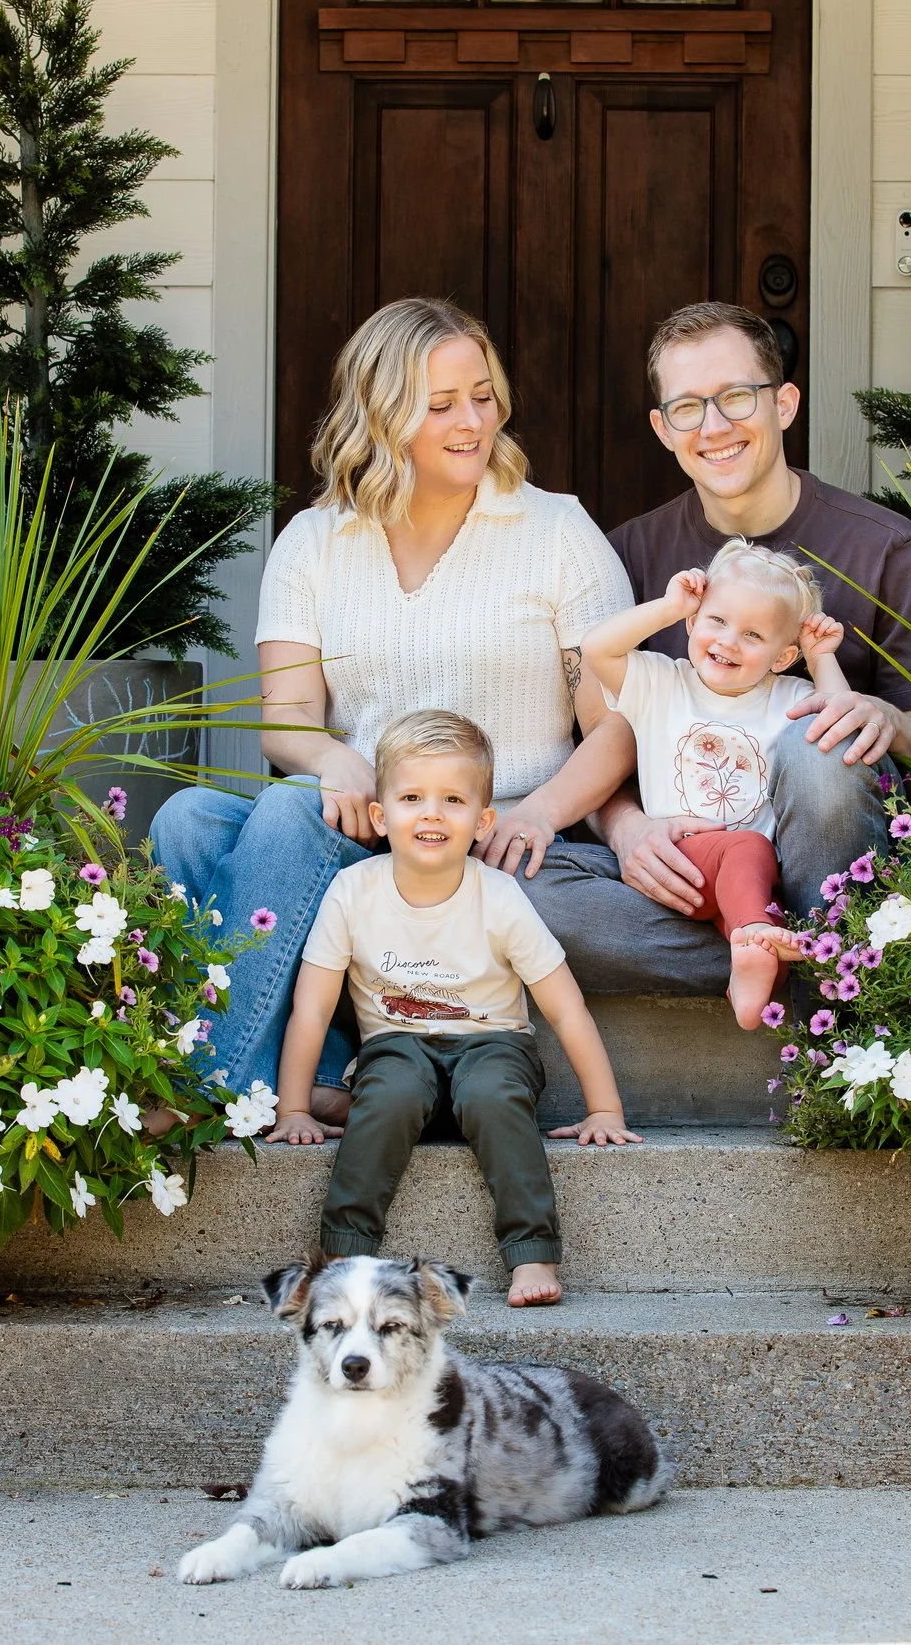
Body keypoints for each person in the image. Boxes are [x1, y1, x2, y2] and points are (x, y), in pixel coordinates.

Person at [149, 299, 631, 1114]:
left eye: (483, 396)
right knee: (187, 819)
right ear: (380, 416)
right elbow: (286, 714)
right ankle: (324, 1073)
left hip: (480, 831)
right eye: (441, 405)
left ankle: (200, 1083)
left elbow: (616, 725)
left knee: (284, 814)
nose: (473, 422)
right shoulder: (315, 541)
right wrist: (333, 758)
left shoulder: (557, 532)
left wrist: (543, 811)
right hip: (367, 827)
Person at [523, 301, 911, 997]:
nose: (714, 427)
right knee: (525, 893)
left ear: (784, 404)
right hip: (690, 870)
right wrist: (626, 829)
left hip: (826, 861)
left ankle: (809, 951)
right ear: (663, 429)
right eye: (688, 407)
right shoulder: (628, 555)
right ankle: (816, 964)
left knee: (822, 746)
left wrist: (886, 719)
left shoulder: (883, 547)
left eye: (735, 396)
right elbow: (605, 739)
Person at [265, 712, 635, 1309]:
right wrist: (293, 1109)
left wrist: (604, 1109)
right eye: (412, 798)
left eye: (454, 800)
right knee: (388, 1094)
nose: (432, 814)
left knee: (491, 1095)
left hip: (493, 1047)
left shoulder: (500, 896)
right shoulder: (352, 892)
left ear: (483, 821)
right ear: (380, 816)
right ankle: (342, 1255)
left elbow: (567, 1010)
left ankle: (532, 1253)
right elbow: (311, 1010)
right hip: (395, 1049)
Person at [580, 540, 847, 1027]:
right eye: (716, 620)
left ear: (783, 656)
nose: (728, 641)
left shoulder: (790, 696)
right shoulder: (660, 682)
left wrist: (822, 658)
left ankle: (749, 979)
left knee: (770, 926)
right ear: (692, 622)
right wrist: (668, 606)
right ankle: (751, 934)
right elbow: (596, 647)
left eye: (753, 634)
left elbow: (837, 722)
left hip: (751, 879)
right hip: (678, 858)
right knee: (746, 849)